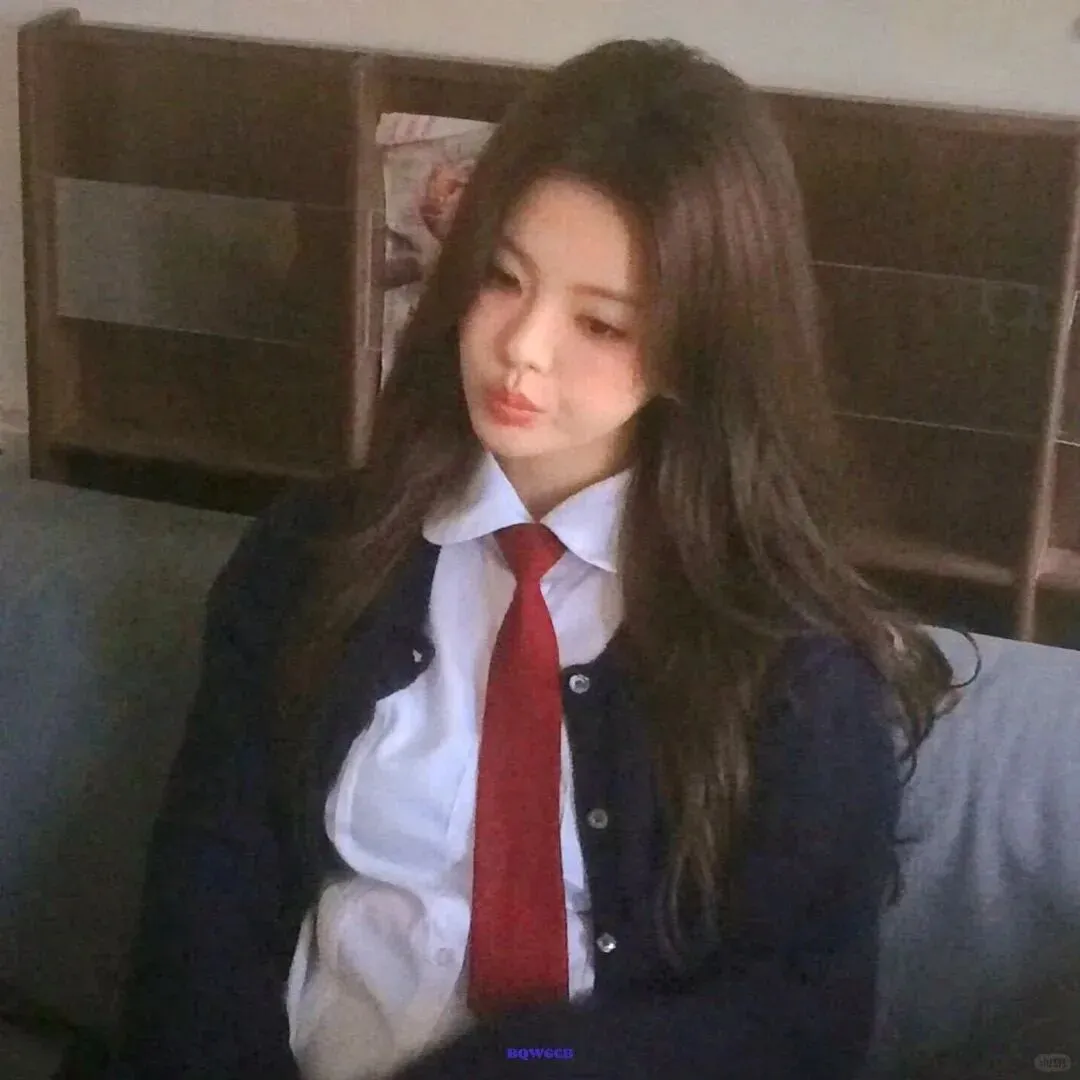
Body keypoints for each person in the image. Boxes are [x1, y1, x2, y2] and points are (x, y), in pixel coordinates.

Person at [107, 37, 961, 1080]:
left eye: (600, 323)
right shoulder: (312, 557)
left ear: (700, 350)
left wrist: (523, 1061)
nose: (521, 347)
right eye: (503, 279)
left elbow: (799, 1017)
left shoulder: (792, 659)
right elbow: (205, 898)